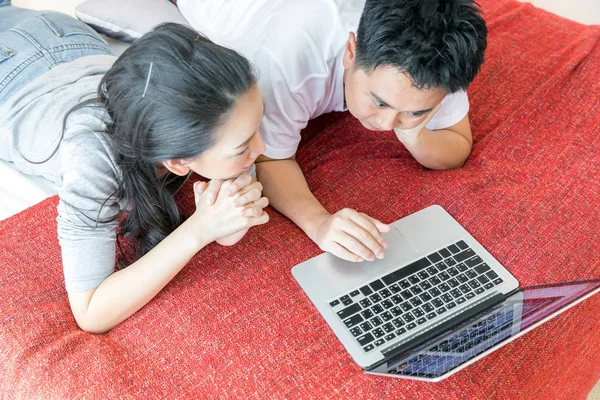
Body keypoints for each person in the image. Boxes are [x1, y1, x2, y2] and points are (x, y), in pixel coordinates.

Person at [0, 1, 269, 333]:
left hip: (66, 37)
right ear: (177, 162)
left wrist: (232, 202)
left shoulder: (223, 109)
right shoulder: (90, 155)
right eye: (244, 145)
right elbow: (91, 312)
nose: (262, 148)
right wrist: (199, 229)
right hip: (9, 76)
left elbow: (232, 225)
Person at [176, 0, 487, 263]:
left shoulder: (437, 63)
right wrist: (319, 223)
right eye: (378, 102)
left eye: (413, 112)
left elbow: (457, 144)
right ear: (350, 51)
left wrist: (416, 134)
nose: (386, 124)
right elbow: (270, 160)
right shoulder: (286, 60)